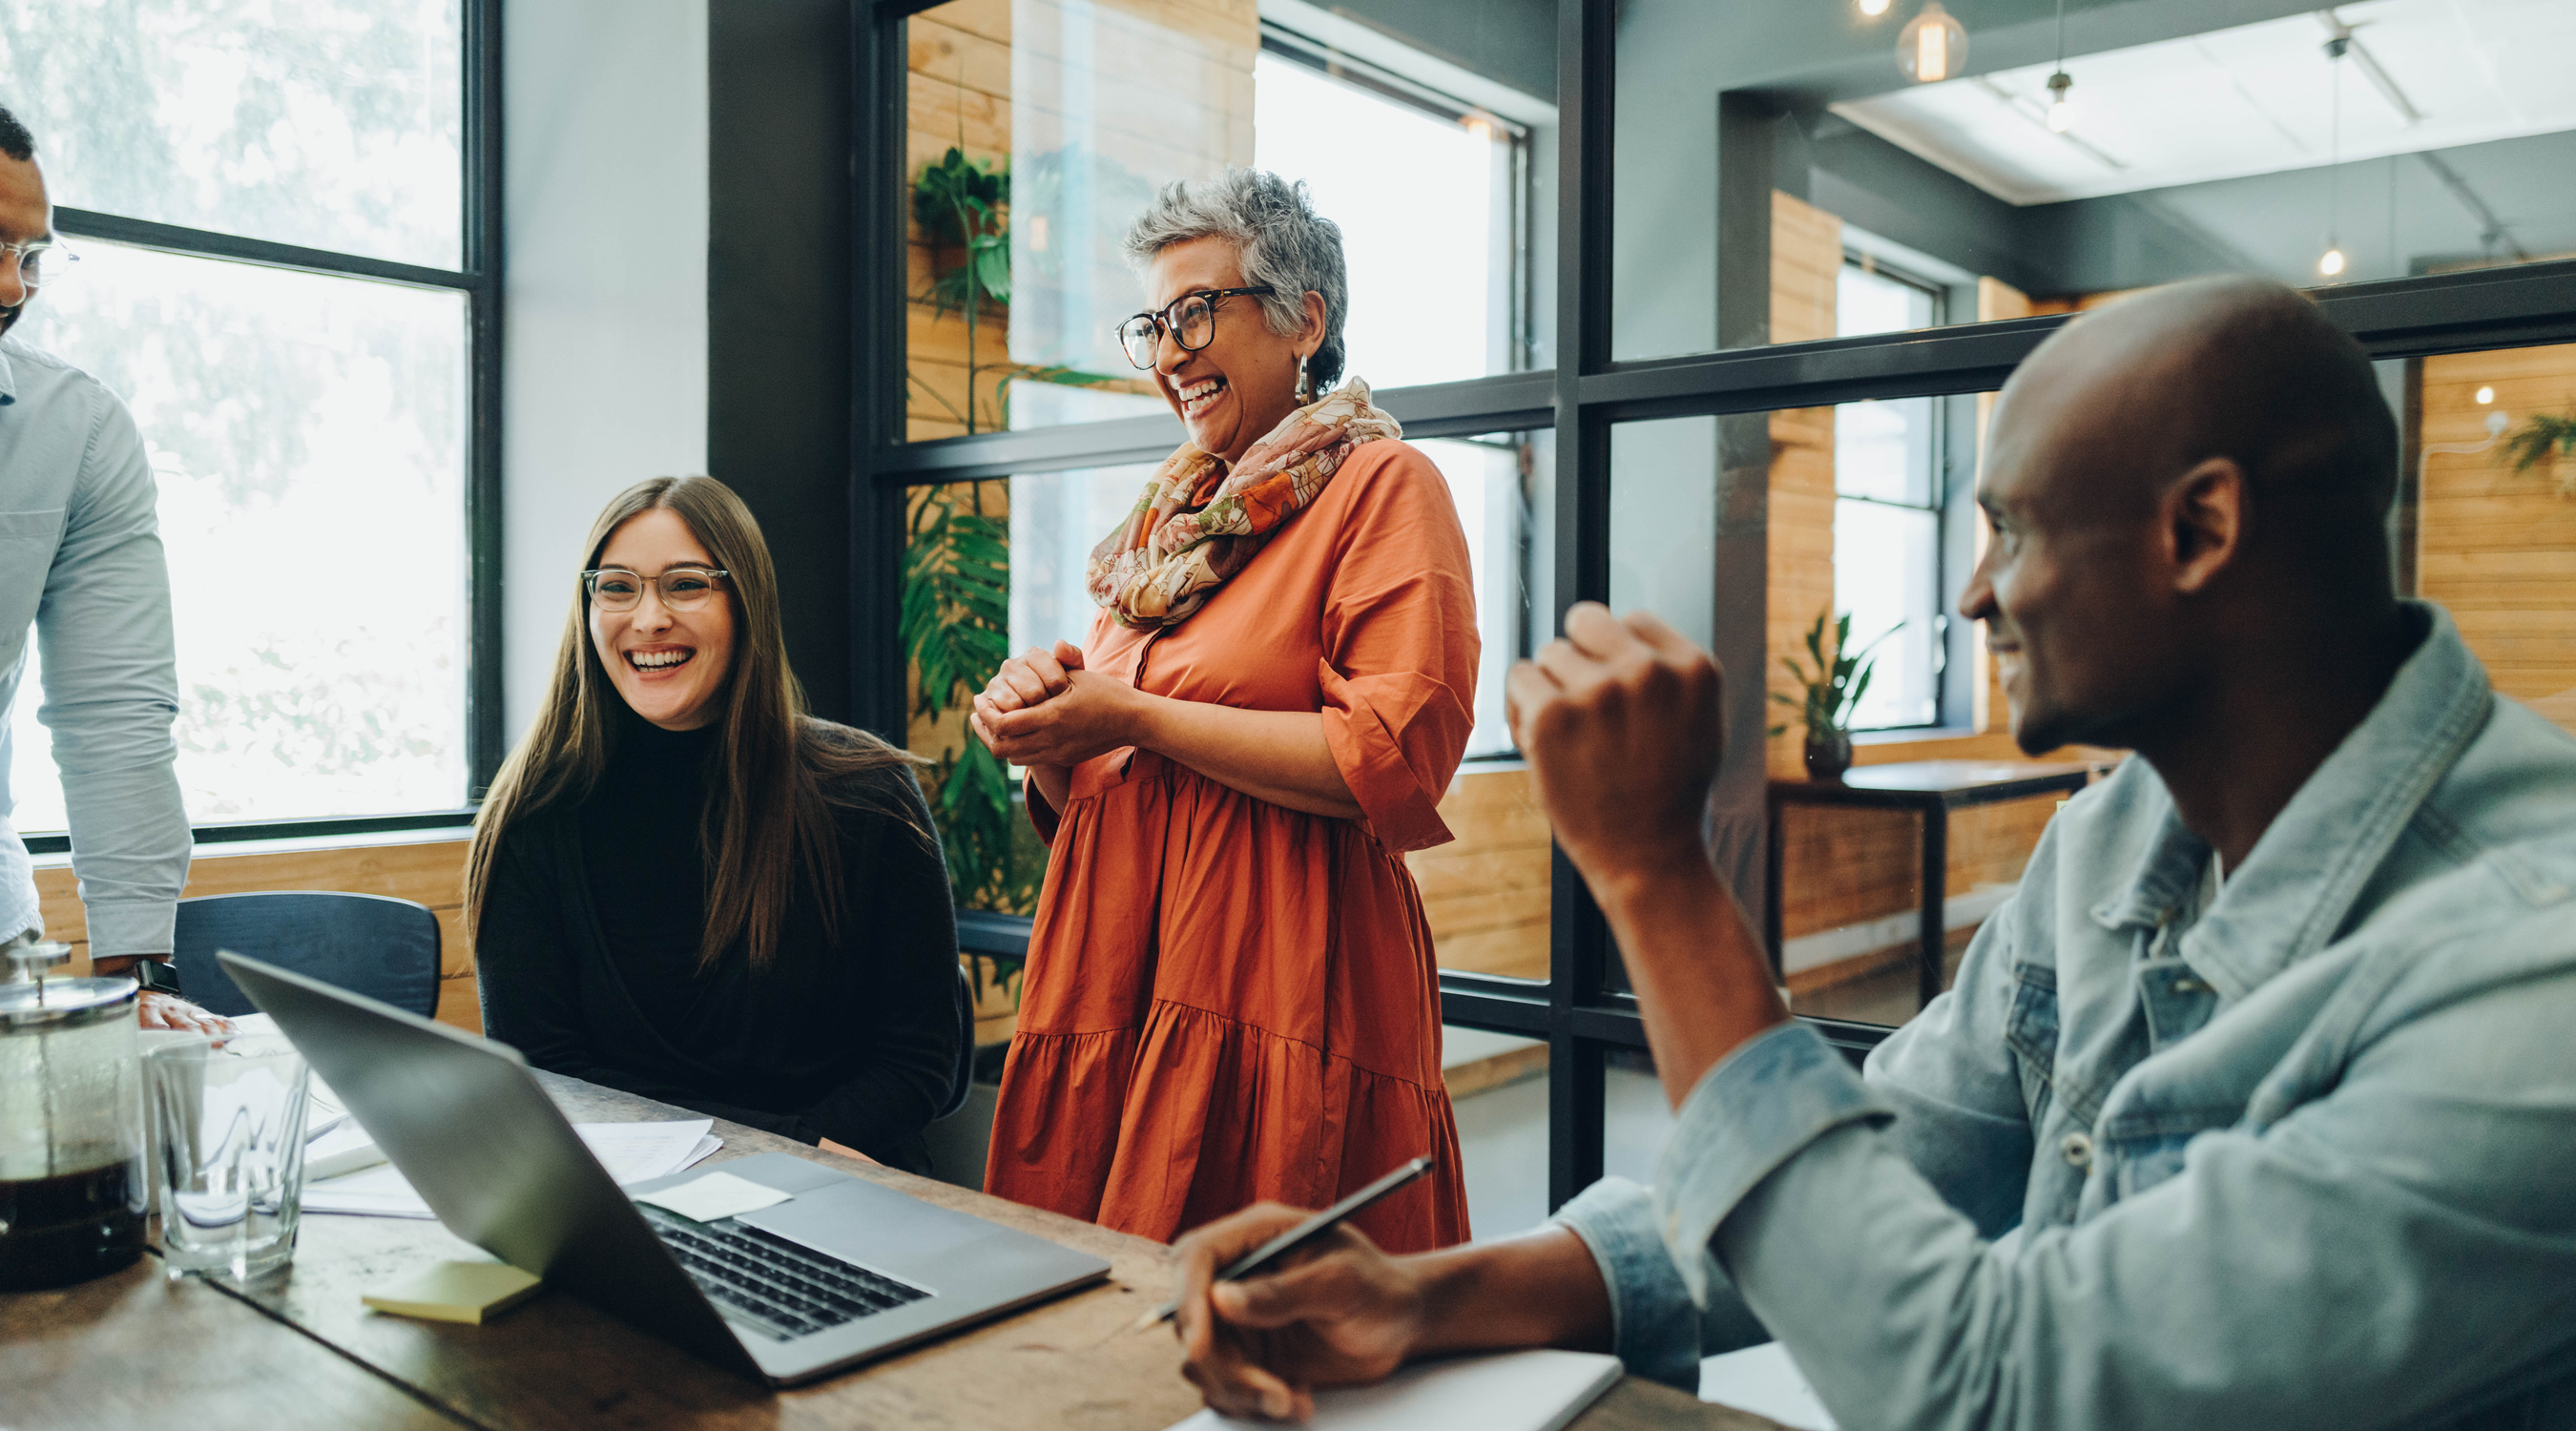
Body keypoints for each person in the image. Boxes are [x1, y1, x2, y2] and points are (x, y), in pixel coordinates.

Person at [1164, 277, 2576, 1428]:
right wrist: (1429, 1298)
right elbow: (1879, 1165)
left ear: (2201, 528)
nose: (1972, 595)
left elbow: (1991, 1387)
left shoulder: (2531, 983)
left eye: (2010, 530)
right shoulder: (2114, 843)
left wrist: (1656, 876)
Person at [969, 169, 1477, 1253]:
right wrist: (1047, 732)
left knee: (1275, 1340)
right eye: (1153, 324)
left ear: (1305, 320)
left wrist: (1132, 717)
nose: (1168, 353)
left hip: (1281, 983)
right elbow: (1096, 793)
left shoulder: (1384, 488)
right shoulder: (1165, 532)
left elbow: (1387, 759)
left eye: (1197, 311)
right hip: (1114, 976)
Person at [468, 476, 962, 1172]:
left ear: (746, 602)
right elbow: (545, 1073)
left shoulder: (867, 791)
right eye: (617, 587)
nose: (647, 619)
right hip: (626, 1200)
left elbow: (919, 1063)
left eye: (686, 584)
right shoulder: (533, 813)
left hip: (836, 1187)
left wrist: (779, 1162)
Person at [0, 103, 219, 1033]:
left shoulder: (76, 429)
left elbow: (115, 719)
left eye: (30, 255)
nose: (12, 288)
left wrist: (139, 987)